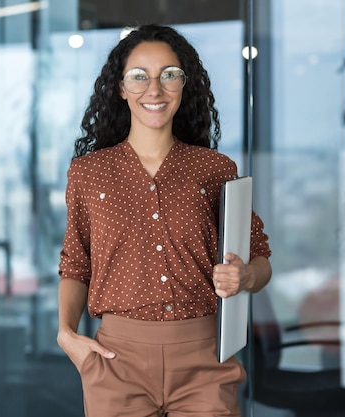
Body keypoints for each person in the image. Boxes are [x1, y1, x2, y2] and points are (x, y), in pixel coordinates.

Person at [57, 24, 272, 417]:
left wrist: (245, 277)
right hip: (115, 361)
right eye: (139, 77)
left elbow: (259, 258)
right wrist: (66, 334)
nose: (154, 90)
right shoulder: (88, 172)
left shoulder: (215, 169)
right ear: (120, 88)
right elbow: (75, 263)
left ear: (184, 85)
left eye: (168, 75)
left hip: (204, 359)